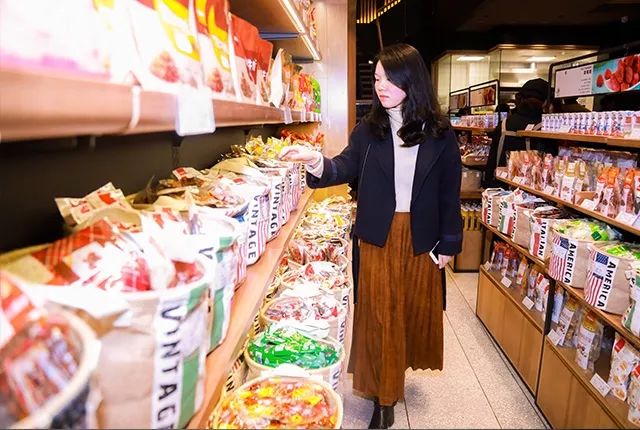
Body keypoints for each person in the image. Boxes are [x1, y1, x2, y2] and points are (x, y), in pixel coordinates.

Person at [279, 43, 463, 429]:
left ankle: (393, 377)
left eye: (389, 79)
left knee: (408, 313)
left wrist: (449, 242)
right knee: (380, 316)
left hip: (421, 237)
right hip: (378, 235)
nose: (381, 86)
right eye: (377, 78)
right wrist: (317, 162)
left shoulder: (440, 133)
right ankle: (383, 397)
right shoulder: (369, 129)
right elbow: (345, 166)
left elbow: (450, 191)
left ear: (411, 80)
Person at [483, 78, 550, 188]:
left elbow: (492, 159)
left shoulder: (504, 123)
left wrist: (488, 183)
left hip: (500, 186)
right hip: (530, 190)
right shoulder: (544, 127)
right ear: (545, 102)